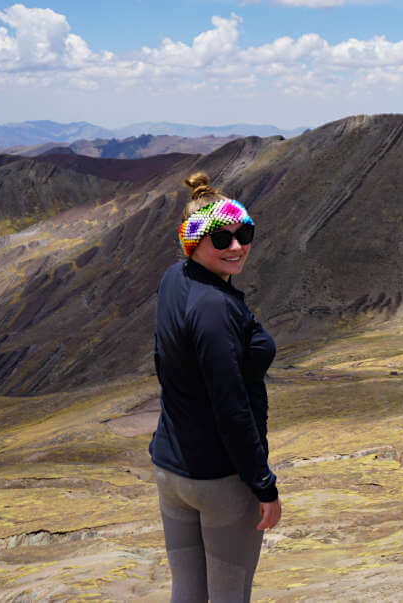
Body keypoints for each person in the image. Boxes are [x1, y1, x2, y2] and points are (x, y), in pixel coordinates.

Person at [150, 172, 281, 602]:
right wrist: (263, 485)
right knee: (230, 594)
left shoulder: (174, 279)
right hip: (220, 479)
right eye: (220, 240)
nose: (238, 246)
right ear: (194, 244)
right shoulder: (215, 309)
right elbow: (231, 406)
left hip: (172, 468)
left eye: (244, 233)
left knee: (186, 591)